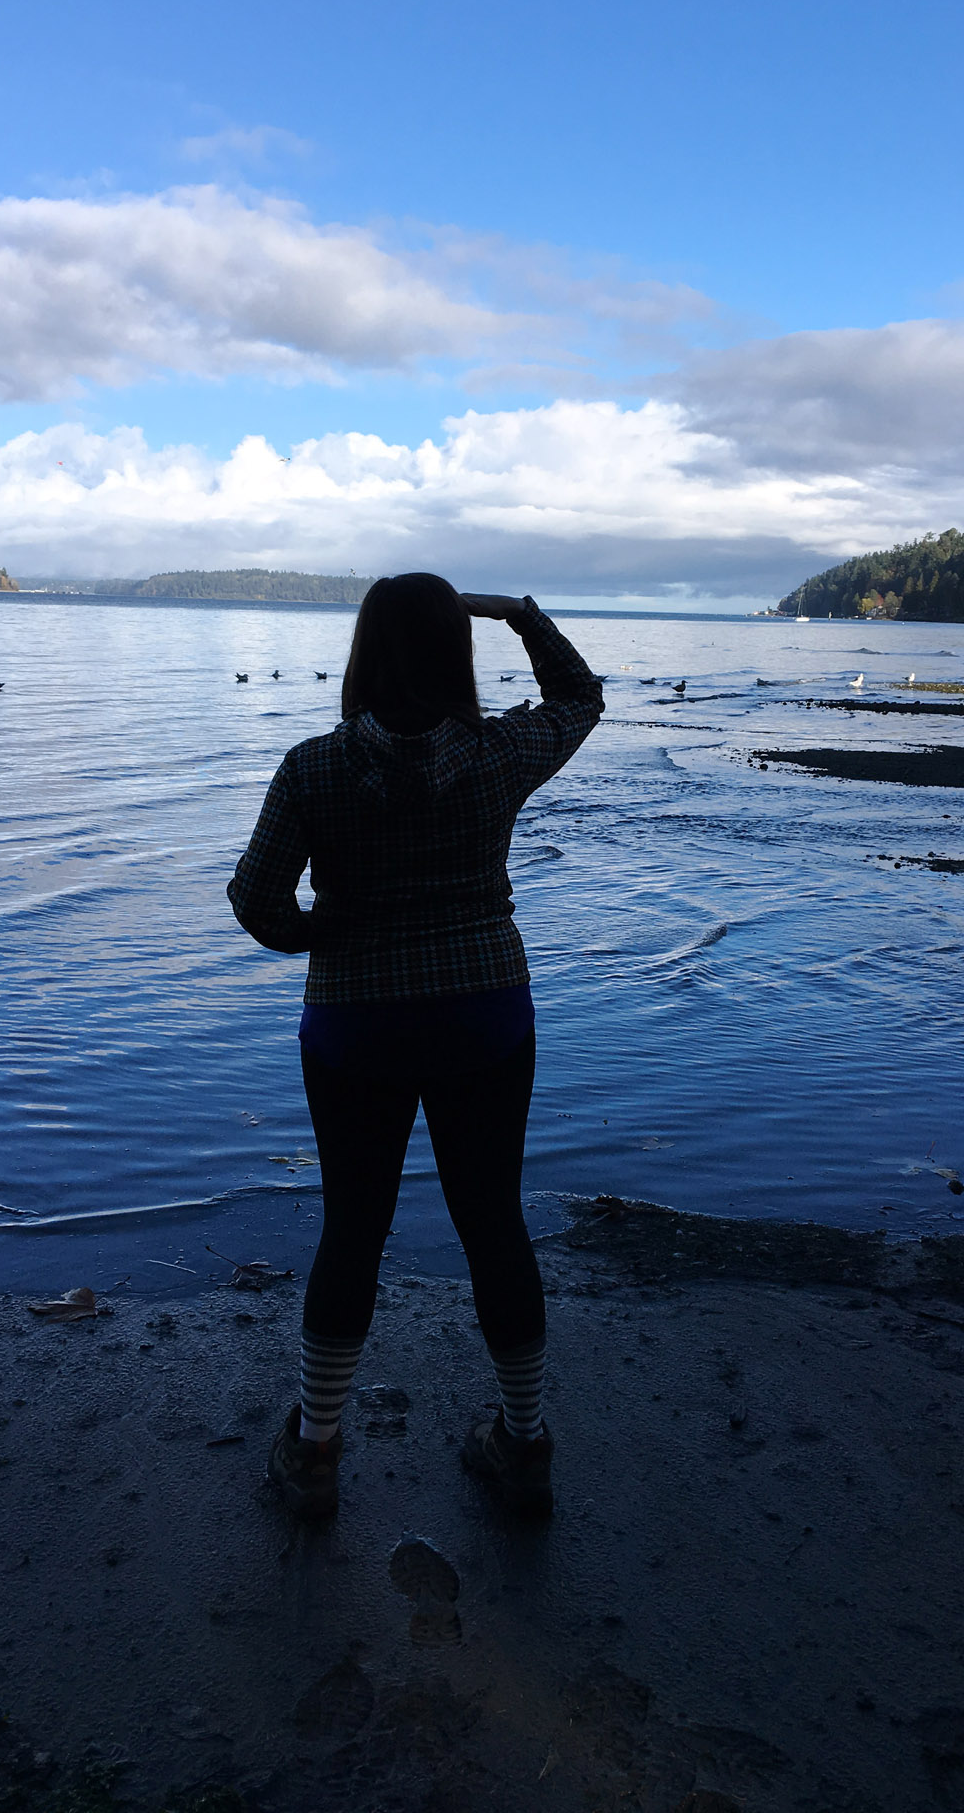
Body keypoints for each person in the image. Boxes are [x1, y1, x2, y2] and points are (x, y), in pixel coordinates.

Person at [227, 576, 603, 1519]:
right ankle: (523, 1446)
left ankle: (315, 1452)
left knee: (353, 1229)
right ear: (456, 654)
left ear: (362, 653)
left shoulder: (310, 768)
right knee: (494, 1225)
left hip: (356, 1026)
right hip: (485, 1014)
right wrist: (519, 612)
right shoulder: (499, 752)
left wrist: (329, 932)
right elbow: (581, 696)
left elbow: (256, 901)